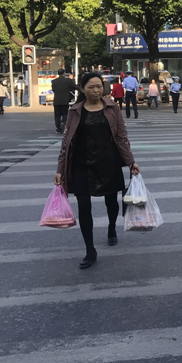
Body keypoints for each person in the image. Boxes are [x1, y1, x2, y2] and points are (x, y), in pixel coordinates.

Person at [54, 72, 141, 269]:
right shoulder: (75, 111)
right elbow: (66, 142)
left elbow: (121, 137)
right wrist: (60, 169)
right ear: (82, 89)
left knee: (112, 202)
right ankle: (90, 250)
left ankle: (111, 227)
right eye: (91, 87)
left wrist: (131, 162)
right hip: (81, 164)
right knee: (84, 206)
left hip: (108, 161)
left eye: (99, 86)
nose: (96, 90)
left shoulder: (112, 108)